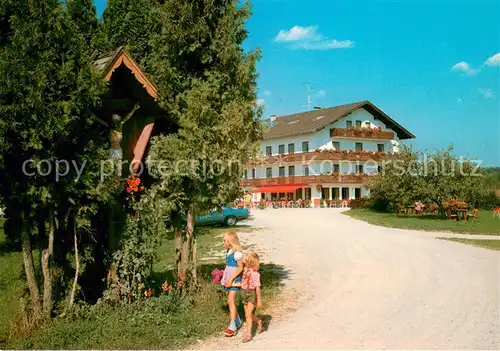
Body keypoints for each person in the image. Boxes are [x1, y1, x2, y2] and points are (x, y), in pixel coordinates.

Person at [221, 232, 244, 337]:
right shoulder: (228, 251)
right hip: (228, 277)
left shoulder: (237, 253)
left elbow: (240, 268)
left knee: (231, 300)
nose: (223, 243)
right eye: (223, 240)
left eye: (225, 241)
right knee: (229, 300)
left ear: (231, 242)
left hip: (234, 279)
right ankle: (237, 319)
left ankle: (232, 326)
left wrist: (231, 278)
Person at [241, 251, 263, 343]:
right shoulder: (245, 270)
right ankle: (259, 322)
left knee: (248, 315)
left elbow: (257, 288)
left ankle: (249, 334)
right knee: (249, 314)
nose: (244, 263)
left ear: (250, 262)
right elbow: (244, 282)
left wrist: (259, 300)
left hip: (251, 294)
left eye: (246, 262)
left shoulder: (255, 274)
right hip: (244, 293)